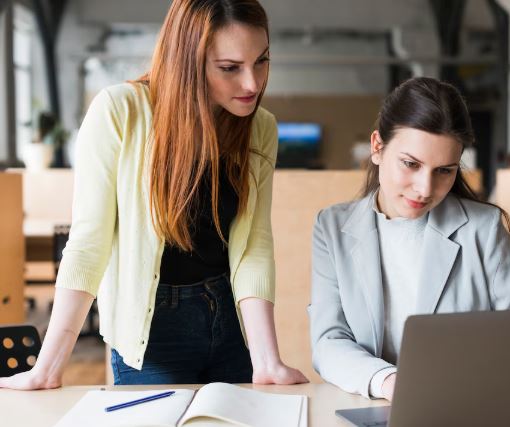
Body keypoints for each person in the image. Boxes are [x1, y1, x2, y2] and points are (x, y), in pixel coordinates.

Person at [0, 0, 307, 389]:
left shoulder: (260, 128)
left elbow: (254, 247)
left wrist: (267, 361)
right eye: (230, 68)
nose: (253, 84)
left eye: (261, 61)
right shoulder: (120, 111)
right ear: (188, 61)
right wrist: (46, 370)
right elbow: (88, 245)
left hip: (230, 322)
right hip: (154, 333)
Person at [308, 77, 510, 401]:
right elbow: (328, 341)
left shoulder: (484, 228)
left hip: (465, 406)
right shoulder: (332, 227)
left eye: (444, 170)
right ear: (377, 147)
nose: (425, 188)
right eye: (410, 164)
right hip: (372, 405)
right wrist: (389, 382)